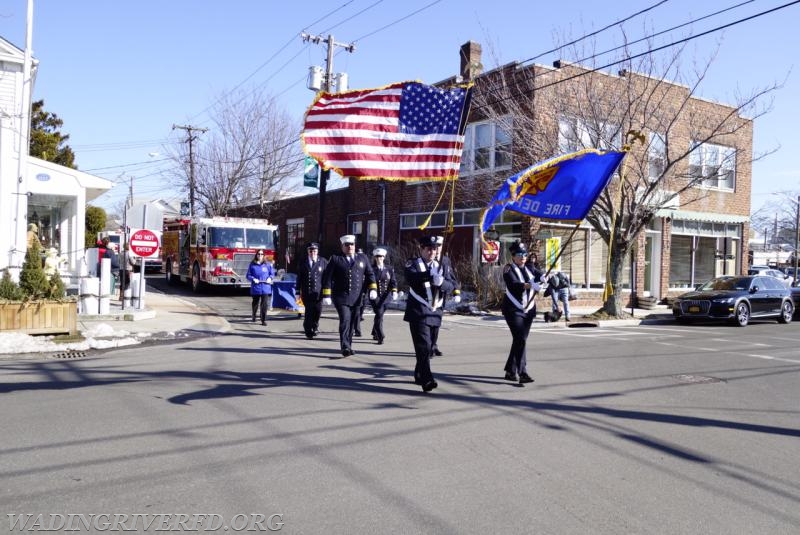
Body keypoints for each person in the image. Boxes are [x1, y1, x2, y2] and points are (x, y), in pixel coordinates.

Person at [404, 235, 456, 392]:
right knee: (424, 346)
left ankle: (419, 373)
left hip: (434, 313)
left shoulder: (442, 266)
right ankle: (427, 380)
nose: (432, 252)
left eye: (434, 249)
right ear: (421, 249)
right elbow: (411, 278)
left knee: (429, 347)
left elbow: (452, 285)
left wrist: (442, 282)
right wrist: (429, 275)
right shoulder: (413, 263)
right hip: (418, 311)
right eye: (428, 249)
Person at [322, 235, 377, 357]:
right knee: (345, 320)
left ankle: (349, 345)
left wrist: (373, 288)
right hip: (341, 297)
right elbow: (327, 277)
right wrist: (326, 294)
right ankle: (345, 346)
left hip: (357, 297)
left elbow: (370, 274)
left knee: (352, 323)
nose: (350, 247)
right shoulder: (336, 259)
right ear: (342, 246)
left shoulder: (362, 258)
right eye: (347, 245)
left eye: (352, 244)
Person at [502, 241, 540, 384]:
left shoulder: (530, 267)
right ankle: (522, 372)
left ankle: (510, 371)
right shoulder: (508, 269)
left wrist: (545, 278)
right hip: (513, 310)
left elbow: (540, 275)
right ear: (513, 256)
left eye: (524, 254)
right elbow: (514, 285)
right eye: (519, 254)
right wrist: (530, 285)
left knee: (520, 340)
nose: (523, 257)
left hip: (528, 310)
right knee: (520, 339)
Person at [430, 235, 461, 357]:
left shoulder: (446, 260)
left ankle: (433, 345)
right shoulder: (428, 259)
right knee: (428, 322)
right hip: (428, 296)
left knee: (436, 322)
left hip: (440, 296)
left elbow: (451, 277)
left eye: (439, 246)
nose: (437, 248)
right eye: (435, 246)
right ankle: (428, 346)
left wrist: (456, 291)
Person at [296, 242, 327, 339]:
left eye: (314, 250)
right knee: (309, 312)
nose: (312, 252)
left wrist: (327, 293)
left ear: (317, 251)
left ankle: (315, 326)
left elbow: (326, 278)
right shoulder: (303, 261)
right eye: (310, 250)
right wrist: (297, 291)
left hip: (319, 293)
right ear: (308, 251)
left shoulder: (323, 261)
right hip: (307, 292)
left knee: (317, 311)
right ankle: (308, 330)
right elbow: (299, 278)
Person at [369, 247, 398, 345]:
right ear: (374, 257)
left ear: (384, 257)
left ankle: (374, 332)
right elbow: (368, 281)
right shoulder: (371, 269)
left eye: (381, 256)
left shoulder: (389, 269)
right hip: (375, 296)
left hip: (386, 297)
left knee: (379, 315)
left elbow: (393, 281)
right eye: (377, 256)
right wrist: (369, 291)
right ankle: (380, 336)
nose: (379, 258)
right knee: (379, 314)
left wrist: (394, 291)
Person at [246, 249, 275, 326]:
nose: (260, 255)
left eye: (262, 254)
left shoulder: (267, 264)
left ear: (264, 255)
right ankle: (254, 315)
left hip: (265, 287)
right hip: (256, 287)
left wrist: (270, 278)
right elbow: (248, 275)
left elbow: (272, 274)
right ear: (256, 255)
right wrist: (253, 279)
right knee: (255, 303)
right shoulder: (252, 264)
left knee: (264, 304)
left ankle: (263, 320)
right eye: (259, 254)